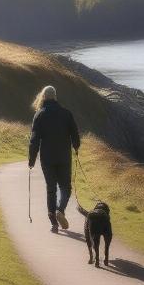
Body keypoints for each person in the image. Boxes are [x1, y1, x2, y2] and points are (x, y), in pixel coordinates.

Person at [28, 85, 80, 233]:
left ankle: (54, 224)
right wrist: (76, 147)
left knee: (51, 189)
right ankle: (60, 210)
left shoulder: (39, 115)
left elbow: (34, 140)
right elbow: (75, 134)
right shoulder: (66, 114)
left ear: (43, 97)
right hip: (64, 157)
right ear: (55, 96)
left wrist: (31, 160)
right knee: (66, 187)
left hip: (47, 159)